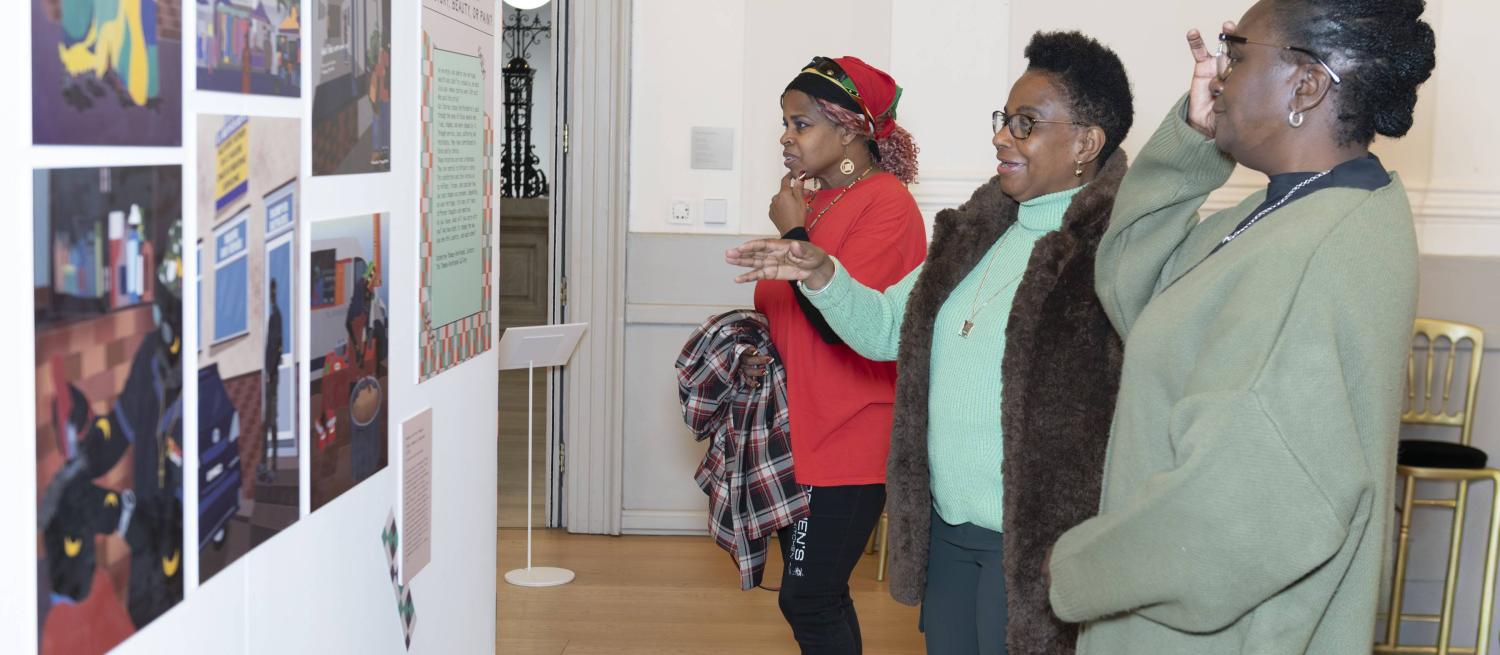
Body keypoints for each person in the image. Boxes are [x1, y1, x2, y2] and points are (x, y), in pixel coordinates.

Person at [1041, 2, 1436, 653]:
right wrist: (1195, 143)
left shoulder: (1311, 253)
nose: (1218, 72)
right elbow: (1137, 290)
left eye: (1239, 51)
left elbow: (1238, 516)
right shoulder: (1293, 208)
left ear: (1305, 85)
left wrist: (1079, 565)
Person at [729, 32, 1134, 654]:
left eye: (1025, 125)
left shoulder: (1115, 250)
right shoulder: (974, 235)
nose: (1002, 136)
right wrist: (818, 268)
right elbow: (887, 328)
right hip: (948, 527)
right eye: (1005, 120)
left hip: (1033, 541)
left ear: (1086, 143)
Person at [738, 55, 927, 654]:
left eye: (800, 124)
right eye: (785, 123)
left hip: (850, 435)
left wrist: (793, 234)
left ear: (848, 129)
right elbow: (788, 314)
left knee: (808, 597)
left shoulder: (887, 205)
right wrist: (758, 351)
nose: (786, 138)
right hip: (800, 430)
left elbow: (849, 326)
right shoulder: (815, 202)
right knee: (820, 595)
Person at [259, 279, 284, 483]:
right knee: (266, 423)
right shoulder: (270, 317)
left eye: (272, 293)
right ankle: (267, 465)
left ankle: (273, 466)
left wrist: (270, 373)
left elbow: (277, 347)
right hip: (267, 377)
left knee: (271, 422)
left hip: (271, 378)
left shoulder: (276, 317)